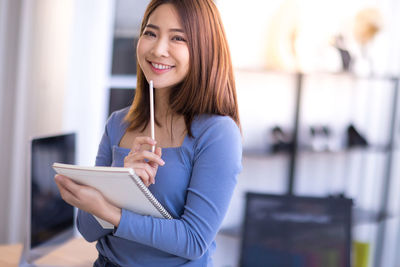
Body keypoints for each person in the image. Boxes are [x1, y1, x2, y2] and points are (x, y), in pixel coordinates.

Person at [54, 0, 242, 266]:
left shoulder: (218, 134)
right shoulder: (118, 123)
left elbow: (194, 241)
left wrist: (112, 211)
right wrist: (120, 182)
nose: (158, 49)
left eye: (178, 38)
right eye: (150, 33)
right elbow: (87, 229)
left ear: (204, 48)